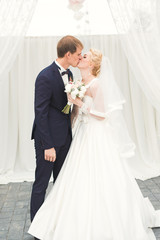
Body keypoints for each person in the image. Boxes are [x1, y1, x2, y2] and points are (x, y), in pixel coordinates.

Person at [29, 49, 160, 240]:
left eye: (84, 57)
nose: (80, 58)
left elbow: (103, 115)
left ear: (92, 64)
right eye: (80, 56)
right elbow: (74, 113)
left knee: (100, 175)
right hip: (82, 134)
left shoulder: (96, 84)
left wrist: (78, 103)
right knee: (75, 176)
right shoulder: (78, 82)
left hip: (97, 135)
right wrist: (70, 120)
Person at [30, 35, 83, 230]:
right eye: (77, 54)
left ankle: (58, 222)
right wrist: (48, 145)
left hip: (65, 138)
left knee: (62, 183)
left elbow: (64, 107)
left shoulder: (69, 75)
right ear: (68, 54)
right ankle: (37, 227)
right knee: (42, 184)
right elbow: (41, 114)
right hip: (48, 141)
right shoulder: (44, 76)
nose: (80, 57)